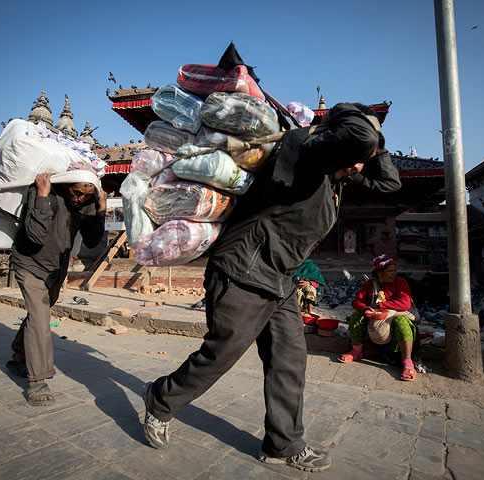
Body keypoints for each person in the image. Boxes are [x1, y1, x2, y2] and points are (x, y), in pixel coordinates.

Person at [140, 102, 401, 472]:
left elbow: (390, 184)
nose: (360, 164)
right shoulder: (307, 155)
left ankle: (283, 443)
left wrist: (380, 148)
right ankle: (160, 399)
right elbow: (359, 135)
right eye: (360, 156)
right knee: (221, 353)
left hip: (280, 279)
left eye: (366, 159)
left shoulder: (336, 179)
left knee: (289, 361)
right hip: (243, 270)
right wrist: (351, 117)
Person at [7, 173, 107, 406]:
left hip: (55, 269)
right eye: (77, 193)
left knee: (38, 314)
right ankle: (37, 381)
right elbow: (35, 235)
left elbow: (93, 240)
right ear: (66, 185)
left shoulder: (88, 201)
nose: (80, 199)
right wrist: (42, 195)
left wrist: (101, 209)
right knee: (40, 318)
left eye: (86, 195)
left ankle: (19, 353)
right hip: (29, 262)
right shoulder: (43, 191)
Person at [337, 254, 419, 382]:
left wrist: (380, 305)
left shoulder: (400, 282)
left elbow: (405, 303)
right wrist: (366, 309)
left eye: (394, 271)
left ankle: (407, 361)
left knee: (401, 321)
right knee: (356, 316)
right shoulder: (369, 285)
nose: (394, 274)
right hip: (375, 320)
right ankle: (357, 351)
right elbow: (358, 301)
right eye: (390, 271)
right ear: (380, 272)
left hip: (394, 319)